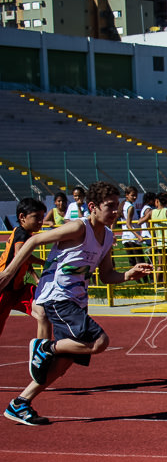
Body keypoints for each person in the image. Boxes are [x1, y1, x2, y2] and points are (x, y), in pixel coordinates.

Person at [0, 182, 152, 426]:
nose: (115, 212)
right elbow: (32, 241)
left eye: (118, 207)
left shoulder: (108, 237)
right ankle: (45, 348)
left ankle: (21, 403)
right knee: (99, 341)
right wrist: (8, 273)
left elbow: (106, 275)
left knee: (64, 362)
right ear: (92, 207)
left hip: (77, 300)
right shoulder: (78, 228)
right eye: (110, 207)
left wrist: (129, 274)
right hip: (57, 296)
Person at [0, 197, 50, 340]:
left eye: (42, 217)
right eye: (36, 217)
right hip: (5, 289)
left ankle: (41, 351)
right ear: (22, 217)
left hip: (18, 289)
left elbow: (24, 262)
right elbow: (22, 257)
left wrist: (35, 278)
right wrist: (44, 262)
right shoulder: (21, 234)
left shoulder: (25, 234)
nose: (41, 221)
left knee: (43, 312)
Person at [119, 186, 147, 270]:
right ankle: (145, 281)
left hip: (125, 237)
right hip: (132, 237)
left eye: (136, 195)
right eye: (132, 195)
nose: (135, 197)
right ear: (127, 195)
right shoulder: (130, 207)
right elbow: (128, 224)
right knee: (140, 261)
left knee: (132, 261)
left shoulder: (123, 205)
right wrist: (138, 236)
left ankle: (138, 280)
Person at [149, 192, 167, 286]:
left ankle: (156, 284)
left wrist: (151, 226)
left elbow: (141, 221)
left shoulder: (152, 212)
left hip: (159, 241)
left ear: (157, 201)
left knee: (160, 265)